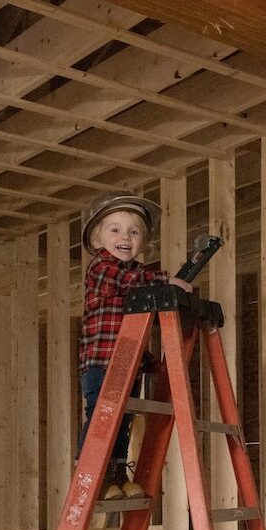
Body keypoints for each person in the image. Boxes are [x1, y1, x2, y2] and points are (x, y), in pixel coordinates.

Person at [77, 191, 192, 498]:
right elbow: (126, 282)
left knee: (123, 421)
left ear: (143, 241)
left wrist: (150, 360)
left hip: (128, 363)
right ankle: (90, 475)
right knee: (102, 417)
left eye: (133, 231)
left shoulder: (137, 275)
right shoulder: (101, 268)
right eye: (115, 230)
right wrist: (167, 279)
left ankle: (114, 477)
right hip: (102, 363)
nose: (124, 237)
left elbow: (134, 330)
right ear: (99, 239)